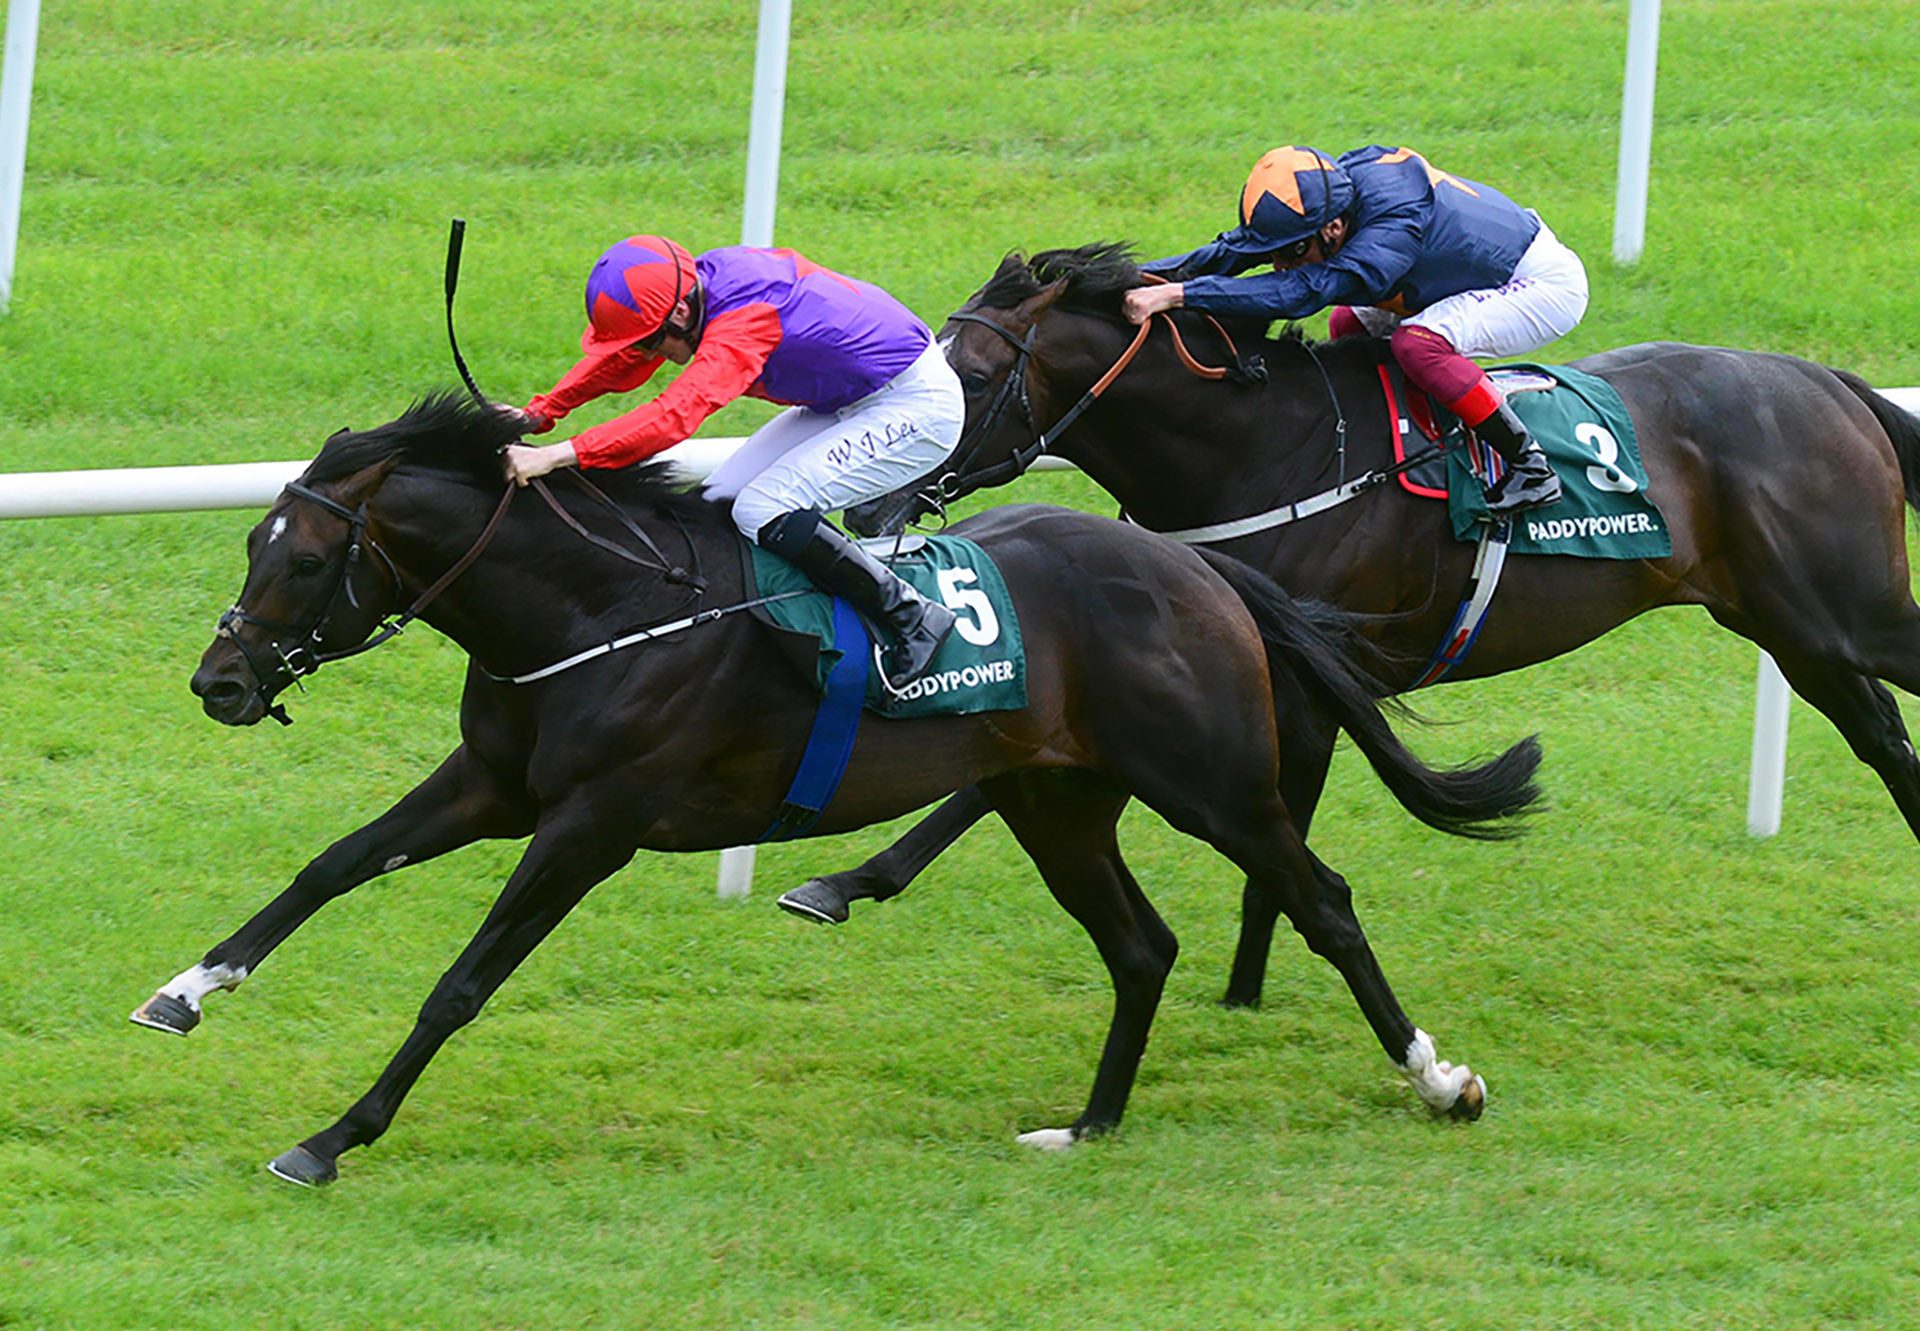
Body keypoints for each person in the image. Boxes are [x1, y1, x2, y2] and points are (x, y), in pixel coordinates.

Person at [504, 235, 963, 689]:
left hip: (915, 408)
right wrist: (539, 412)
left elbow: (673, 417)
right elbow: (622, 360)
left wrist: (558, 456)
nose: (647, 355)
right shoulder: (690, 287)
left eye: (651, 344)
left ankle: (912, 615)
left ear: (680, 314)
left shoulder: (745, 321)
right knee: (714, 505)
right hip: (847, 399)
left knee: (761, 508)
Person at [1122, 146, 1589, 514]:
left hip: (1539, 283)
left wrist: (1179, 297)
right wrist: (1131, 278)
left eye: (1292, 251)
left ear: (1334, 228)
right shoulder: (1326, 204)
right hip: (1454, 272)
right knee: (1347, 324)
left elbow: (1299, 293)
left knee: (1417, 345)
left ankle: (1531, 466)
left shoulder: (1392, 229)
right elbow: (1229, 254)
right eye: (1276, 253)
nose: (1281, 264)